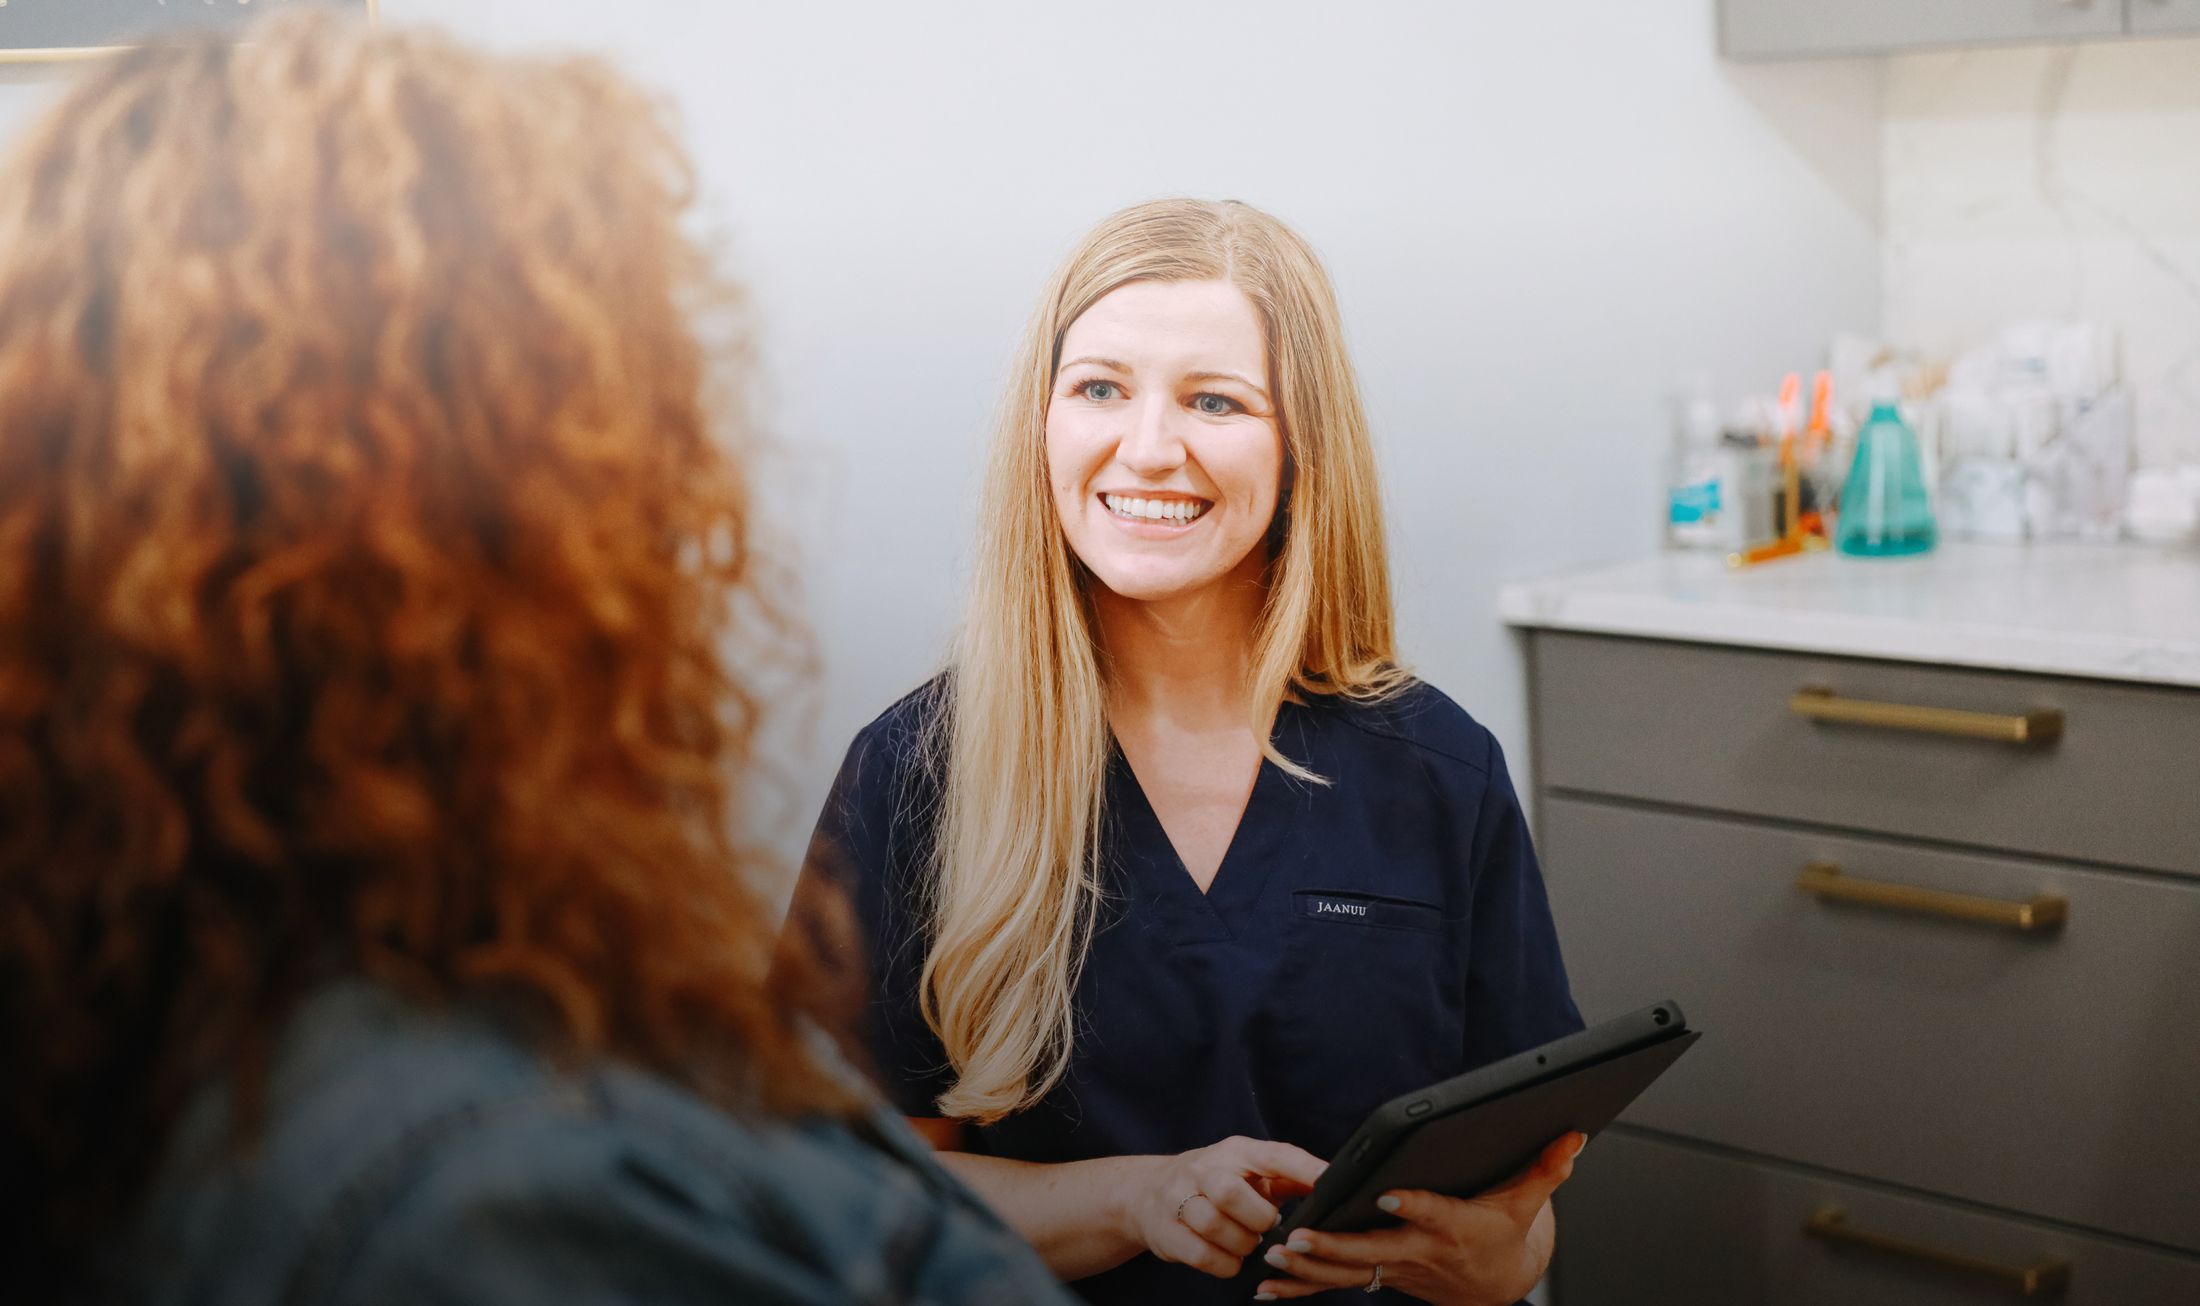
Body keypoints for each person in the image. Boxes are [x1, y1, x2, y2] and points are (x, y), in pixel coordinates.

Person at [0, 14, 1074, 1306]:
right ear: (521, 518)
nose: (689, 504)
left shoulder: (154, 1030)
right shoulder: (505, 1192)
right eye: (634, 427)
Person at [799, 198, 1587, 1304]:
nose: (1150, 448)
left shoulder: (1436, 767)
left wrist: (1491, 1260)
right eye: (1100, 389)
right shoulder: (916, 769)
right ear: (1045, 421)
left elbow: (1515, 1225)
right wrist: (1132, 1198)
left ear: (1299, 443)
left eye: (1214, 400)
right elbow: (841, 1192)